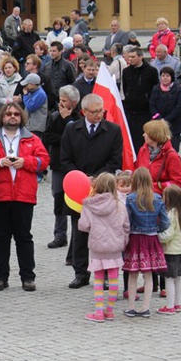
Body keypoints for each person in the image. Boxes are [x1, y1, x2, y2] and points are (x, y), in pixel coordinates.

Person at [0, 103, 49, 292]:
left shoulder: (32, 138)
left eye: (16, 114)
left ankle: (28, 277)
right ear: (2, 117)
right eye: (9, 114)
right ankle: (0, 277)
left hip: (23, 194)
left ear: (21, 117)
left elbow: (44, 161)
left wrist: (26, 162)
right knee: (1, 237)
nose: (12, 117)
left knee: (24, 237)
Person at [61, 93, 123, 289]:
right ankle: (81, 273)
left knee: (103, 233)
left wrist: (97, 178)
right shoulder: (72, 130)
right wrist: (80, 178)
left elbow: (115, 160)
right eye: (95, 112)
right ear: (84, 112)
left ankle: (104, 273)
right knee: (80, 232)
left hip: (103, 188)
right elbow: (64, 159)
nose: (99, 115)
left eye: (101, 111)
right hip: (77, 189)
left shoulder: (113, 130)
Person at [78, 173, 130, 322]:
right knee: (114, 279)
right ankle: (110, 310)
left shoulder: (89, 204)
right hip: (115, 246)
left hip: (97, 246)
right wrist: (124, 240)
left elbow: (83, 225)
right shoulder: (119, 204)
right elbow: (126, 225)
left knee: (99, 279)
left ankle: (99, 311)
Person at [123, 168, 170, 318]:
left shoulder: (130, 199)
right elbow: (165, 222)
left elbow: (127, 221)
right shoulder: (157, 198)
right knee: (148, 274)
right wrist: (156, 229)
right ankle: (145, 307)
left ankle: (131, 306)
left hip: (135, 238)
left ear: (134, 181)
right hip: (151, 239)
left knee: (132, 273)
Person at [43, 85, 81, 251]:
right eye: (60, 100)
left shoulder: (80, 117)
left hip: (75, 165)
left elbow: (76, 139)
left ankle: (76, 236)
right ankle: (60, 234)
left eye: (64, 101)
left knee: (73, 201)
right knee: (58, 197)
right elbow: (48, 137)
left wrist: (67, 122)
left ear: (73, 103)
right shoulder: (54, 116)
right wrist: (63, 137)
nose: (61, 104)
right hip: (58, 163)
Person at [157, 185, 181, 315]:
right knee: (178, 279)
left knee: (169, 279)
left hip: (171, 251)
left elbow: (168, 235)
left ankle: (169, 306)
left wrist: (158, 237)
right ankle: (177, 303)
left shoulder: (171, 215)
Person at [122, 47, 159, 152]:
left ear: (141, 57)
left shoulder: (151, 71)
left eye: (133, 57)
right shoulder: (126, 71)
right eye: (129, 57)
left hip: (145, 111)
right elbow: (125, 89)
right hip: (131, 111)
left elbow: (155, 89)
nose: (130, 59)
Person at [149, 67, 181, 151]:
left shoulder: (178, 89)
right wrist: (159, 118)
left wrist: (167, 120)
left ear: (171, 77)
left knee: (173, 150)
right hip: (158, 124)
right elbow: (152, 105)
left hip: (174, 125)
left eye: (167, 76)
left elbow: (179, 106)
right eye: (163, 75)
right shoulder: (155, 89)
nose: (165, 78)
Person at [21, 73, 48, 139]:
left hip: (36, 127)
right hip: (30, 125)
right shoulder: (32, 91)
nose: (25, 86)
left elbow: (31, 107)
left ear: (32, 84)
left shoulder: (40, 94)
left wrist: (25, 96)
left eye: (27, 84)